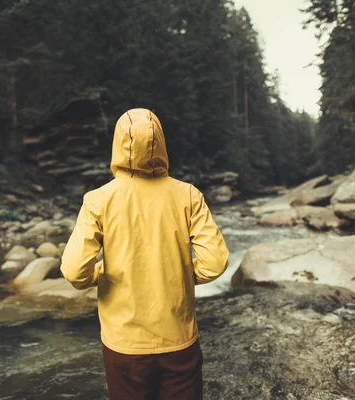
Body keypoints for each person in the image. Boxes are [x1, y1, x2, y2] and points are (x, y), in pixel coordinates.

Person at [61, 108, 229, 400]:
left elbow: (75, 271)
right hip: (179, 340)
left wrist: (102, 273)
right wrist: (178, 274)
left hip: (124, 345)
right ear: (161, 142)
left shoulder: (98, 200)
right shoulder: (189, 195)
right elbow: (214, 263)